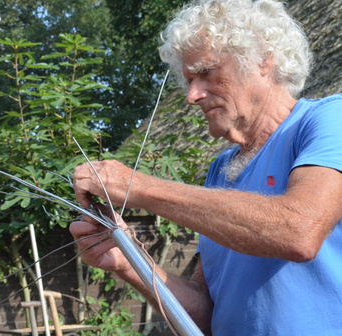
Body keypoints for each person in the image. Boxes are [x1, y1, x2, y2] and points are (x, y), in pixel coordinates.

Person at [70, 0, 342, 335]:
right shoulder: (219, 171)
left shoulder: (328, 120)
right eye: (189, 80)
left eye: (206, 72)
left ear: (263, 60)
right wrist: (129, 263)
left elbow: (299, 231)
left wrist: (137, 186)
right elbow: (204, 315)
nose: (192, 95)